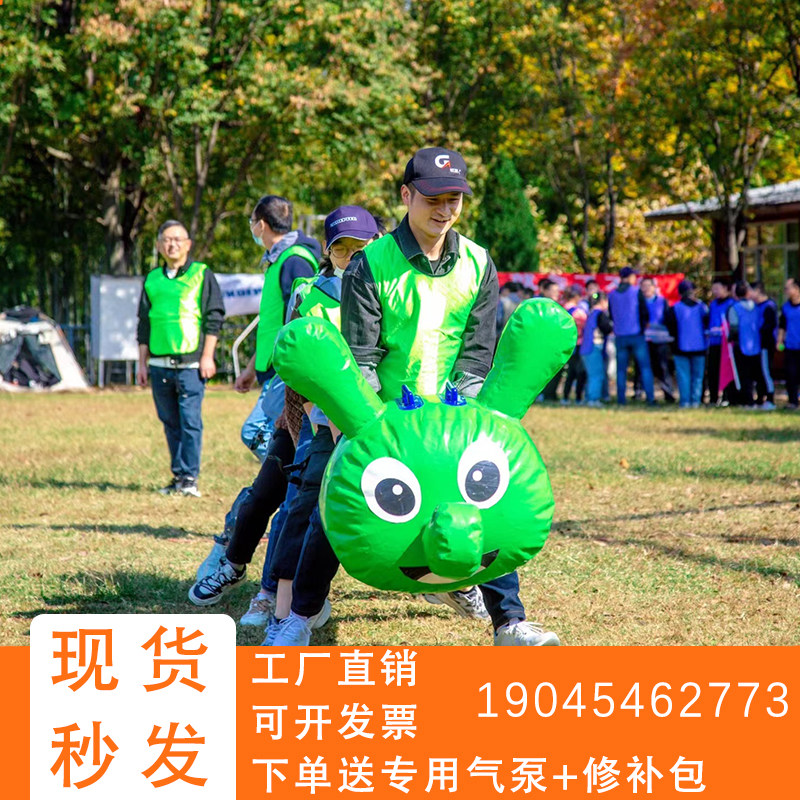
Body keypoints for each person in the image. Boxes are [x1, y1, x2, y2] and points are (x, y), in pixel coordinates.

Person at [322, 146, 559, 647]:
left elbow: (477, 352)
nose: (445, 209)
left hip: (455, 413)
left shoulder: (478, 261)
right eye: (433, 198)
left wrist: (469, 422)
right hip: (387, 418)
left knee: (482, 498)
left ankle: (509, 623)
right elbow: (361, 354)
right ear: (406, 195)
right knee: (328, 503)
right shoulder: (370, 263)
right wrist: (367, 426)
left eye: (454, 199)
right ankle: (298, 611)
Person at [136, 220, 224, 497]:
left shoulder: (202, 274)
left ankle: (189, 478)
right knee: (170, 422)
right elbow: (143, 323)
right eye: (166, 239)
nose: (171, 244)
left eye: (177, 239)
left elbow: (214, 316)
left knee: (190, 422)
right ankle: (178, 476)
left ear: (187, 244)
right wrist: (141, 363)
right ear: (159, 245)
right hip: (159, 364)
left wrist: (208, 356)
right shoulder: (152, 279)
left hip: (191, 365)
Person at [234, 195, 321, 461]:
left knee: (257, 433)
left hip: (284, 371)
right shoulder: (278, 261)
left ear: (261, 225)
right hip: (271, 368)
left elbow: (300, 320)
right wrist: (252, 369)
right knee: (276, 437)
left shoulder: (295, 261)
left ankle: (296, 478)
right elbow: (272, 325)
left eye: (252, 222)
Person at [608, 267, 655, 405]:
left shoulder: (612, 294)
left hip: (620, 336)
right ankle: (650, 398)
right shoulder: (636, 292)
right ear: (629, 277)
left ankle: (621, 399)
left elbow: (611, 314)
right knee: (645, 368)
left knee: (621, 370)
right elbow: (644, 312)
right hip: (636, 335)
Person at [665, 279, 709, 408]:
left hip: (680, 347)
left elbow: (670, 328)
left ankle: (685, 401)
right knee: (698, 377)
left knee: (683, 376)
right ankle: (695, 401)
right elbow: (707, 324)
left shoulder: (674, 308)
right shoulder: (702, 307)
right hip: (700, 347)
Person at [640, 277, 675, 403]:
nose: (646, 289)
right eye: (643, 286)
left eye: (648, 286)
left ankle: (668, 392)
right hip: (644, 340)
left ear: (654, 287)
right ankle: (642, 393)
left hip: (660, 340)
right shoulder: (638, 302)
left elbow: (668, 319)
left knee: (663, 367)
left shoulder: (662, 301)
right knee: (644, 367)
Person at [726, 281, 761, 407]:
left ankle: (746, 400)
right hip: (756, 345)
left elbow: (734, 327)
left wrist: (730, 338)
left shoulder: (734, 308)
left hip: (741, 346)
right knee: (754, 375)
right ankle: (757, 399)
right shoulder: (756, 307)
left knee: (743, 374)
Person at [580, 291, 613, 407]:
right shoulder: (600, 314)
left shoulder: (591, 313)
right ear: (603, 301)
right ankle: (593, 399)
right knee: (596, 375)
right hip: (593, 348)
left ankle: (588, 397)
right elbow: (607, 329)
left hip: (585, 349)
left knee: (591, 375)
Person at [706, 278, 735, 406]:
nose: (715, 291)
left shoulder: (731, 304)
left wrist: (722, 329)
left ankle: (727, 397)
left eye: (717, 288)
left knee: (727, 370)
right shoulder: (713, 304)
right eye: (713, 289)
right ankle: (713, 398)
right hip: (714, 342)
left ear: (725, 288)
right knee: (712, 371)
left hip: (726, 344)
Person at [752, 281, 778, 410]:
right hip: (757, 346)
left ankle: (770, 399)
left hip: (766, 345)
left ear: (757, 291)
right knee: (759, 373)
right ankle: (760, 399)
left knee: (766, 371)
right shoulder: (755, 306)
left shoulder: (769, 306)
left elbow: (769, 327)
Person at [561, 287, 587, 403]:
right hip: (578, 344)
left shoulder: (561, 309)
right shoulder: (579, 313)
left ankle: (565, 396)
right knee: (580, 372)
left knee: (570, 372)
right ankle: (578, 397)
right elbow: (584, 326)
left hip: (566, 344)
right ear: (576, 297)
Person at [778, 277, 800, 409]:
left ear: (797, 289)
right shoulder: (786, 307)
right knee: (791, 374)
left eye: (788, 288)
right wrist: (779, 341)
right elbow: (782, 326)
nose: (786, 291)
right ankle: (792, 401)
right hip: (790, 346)